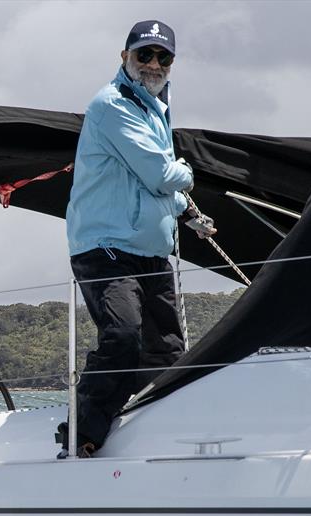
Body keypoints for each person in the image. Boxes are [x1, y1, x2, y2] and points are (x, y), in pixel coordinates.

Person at [62, 20, 215, 457]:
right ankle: (82, 434)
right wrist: (186, 172)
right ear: (124, 57)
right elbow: (159, 173)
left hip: (149, 251)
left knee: (167, 351)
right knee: (123, 337)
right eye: (143, 54)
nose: (153, 64)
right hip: (107, 248)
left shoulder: (154, 108)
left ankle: (150, 430)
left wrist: (190, 215)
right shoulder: (112, 105)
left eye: (162, 57)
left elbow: (150, 185)